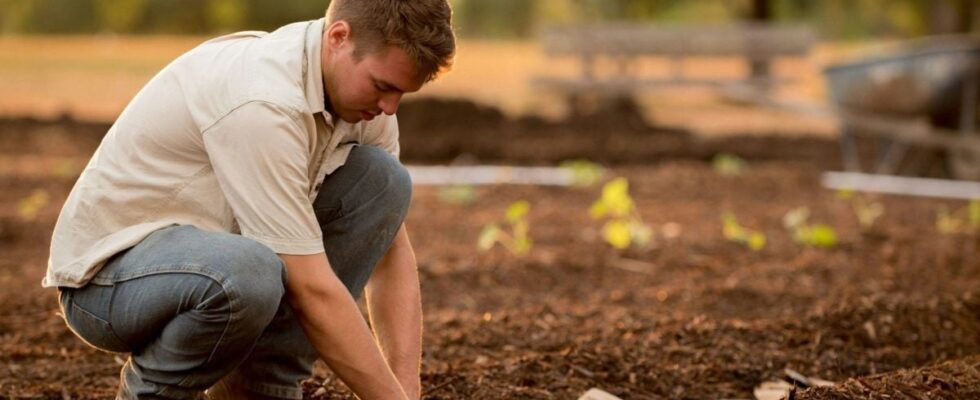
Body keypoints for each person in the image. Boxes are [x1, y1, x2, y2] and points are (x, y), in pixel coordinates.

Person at [43, 0, 455, 398]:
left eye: (401, 93)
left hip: (213, 258)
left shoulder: (364, 103)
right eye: (383, 86)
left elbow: (390, 249)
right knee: (249, 272)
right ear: (339, 37)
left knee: (383, 182)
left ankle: (260, 391)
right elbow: (312, 287)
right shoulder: (263, 101)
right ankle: (153, 394)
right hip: (110, 282)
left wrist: (406, 392)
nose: (389, 107)